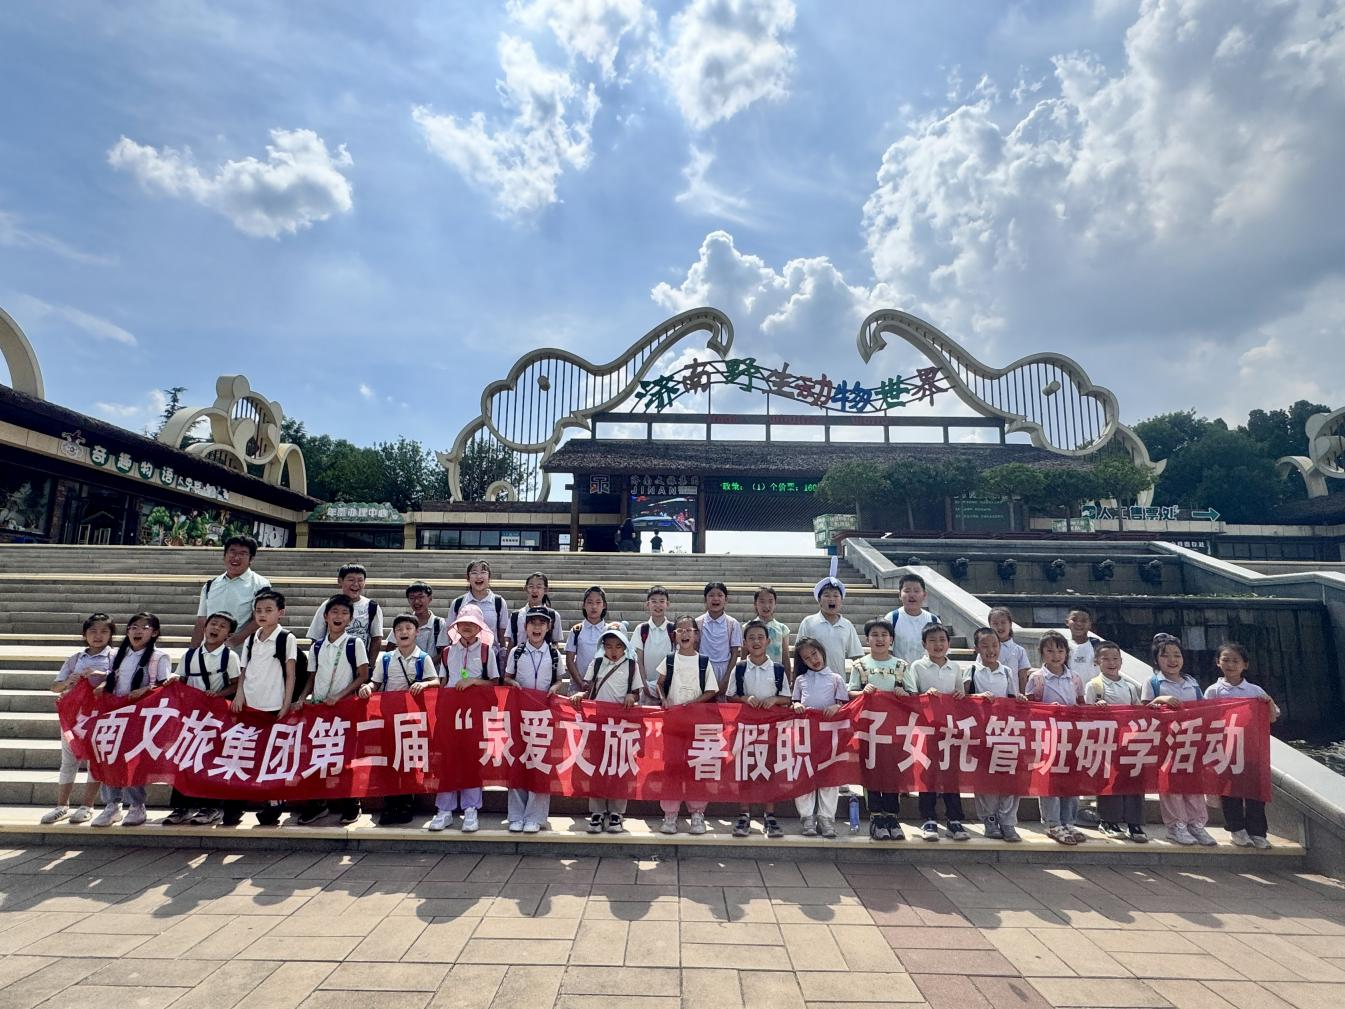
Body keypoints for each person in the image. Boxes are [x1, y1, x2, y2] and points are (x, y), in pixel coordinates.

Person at [90, 613, 171, 827]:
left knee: (133, 759)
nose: (137, 631)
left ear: (155, 633)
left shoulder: (159, 657)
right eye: (133, 627)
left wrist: (145, 690)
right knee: (109, 757)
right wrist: (103, 685)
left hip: (139, 715)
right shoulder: (118, 653)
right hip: (114, 713)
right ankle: (112, 805)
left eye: (144, 628)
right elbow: (113, 676)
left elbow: (165, 686)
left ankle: (136, 806)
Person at [162, 611, 241, 826]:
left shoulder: (229, 657)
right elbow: (182, 679)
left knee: (212, 760)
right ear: (205, 627)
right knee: (185, 758)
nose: (216, 628)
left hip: (216, 718)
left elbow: (236, 684)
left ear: (228, 634)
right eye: (213, 624)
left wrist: (219, 694)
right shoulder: (190, 655)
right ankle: (182, 807)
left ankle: (211, 807)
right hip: (191, 717)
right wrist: (173, 681)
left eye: (222, 626)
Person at [297, 594, 370, 827]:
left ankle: (352, 802)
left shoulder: (354, 643)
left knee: (345, 757)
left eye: (345, 613)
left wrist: (340, 695)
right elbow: (311, 676)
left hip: (345, 709)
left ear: (350, 619)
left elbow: (363, 675)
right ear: (326, 617)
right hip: (320, 709)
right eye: (335, 612)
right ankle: (318, 803)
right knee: (318, 755)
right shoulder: (317, 646)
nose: (339, 617)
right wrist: (302, 698)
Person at [228, 589, 298, 827]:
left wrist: (286, 704)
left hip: (273, 706)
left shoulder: (285, 638)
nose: (262, 614)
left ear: (280, 613)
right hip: (249, 706)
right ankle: (235, 805)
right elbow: (244, 670)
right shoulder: (251, 639)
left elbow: (290, 674)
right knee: (244, 755)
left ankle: (274, 804)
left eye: (268, 610)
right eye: (258, 610)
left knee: (271, 758)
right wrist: (239, 694)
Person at [362, 613, 439, 826]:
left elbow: (436, 681)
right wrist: (368, 687)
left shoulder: (423, 658)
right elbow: (376, 683)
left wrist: (424, 684)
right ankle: (390, 803)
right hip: (389, 718)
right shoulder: (386, 658)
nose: (404, 632)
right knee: (390, 760)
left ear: (416, 632)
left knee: (408, 761)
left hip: (412, 720)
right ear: (394, 634)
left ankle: (406, 803)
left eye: (408, 628)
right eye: (399, 630)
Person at [428, 604, 498, 832]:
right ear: (456, 626)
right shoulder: (448, 652)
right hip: (450, 714)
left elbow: (494, 683)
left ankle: (470, 809)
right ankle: (444, 809)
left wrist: (474, 681)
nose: (467, 627)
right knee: (447, 759)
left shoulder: (486, 651)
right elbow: (442, 682)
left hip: (475, 714)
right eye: (463, 623)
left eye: (472, 624)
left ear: (479, 628)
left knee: (471, 759)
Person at [40, 612, 115, 825]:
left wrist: (103, 677)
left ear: (111, 635)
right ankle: (61, 805)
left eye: (104, 631)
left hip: (100, 716)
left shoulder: (115, 657)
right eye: (93, 631)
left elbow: (119, 680)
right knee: (69, 760)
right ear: (84, 635)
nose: (98, 636)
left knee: (95, 760)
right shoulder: (75, 658)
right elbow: (55, 687)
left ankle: (87, 806)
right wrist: (68, 683)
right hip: (73, 716)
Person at [1141, 632, 1215, 846]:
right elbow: (1144, 711)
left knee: (1193, 784)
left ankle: (1197, 825)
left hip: (1192, 740)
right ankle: (1176, 827)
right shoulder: (1153, 682)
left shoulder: (1191, 682)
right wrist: (1161, 699)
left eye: (1177, 655)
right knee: (1171, 785)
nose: (1172, 660)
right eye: (1165, 655)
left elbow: (1203, 709)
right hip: (1167, 742)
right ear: (1156, 660)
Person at [1205, 642, 1280, 849]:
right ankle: (1236, 829)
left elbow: (1272, 717)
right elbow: (1205, 718)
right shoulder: (1213, 691)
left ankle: (1258, 832)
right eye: (1226, 660)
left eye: (1235, 661)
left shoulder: (1254, 691)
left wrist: (1268, 703)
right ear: (1218, 662)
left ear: (1245, 665)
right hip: (1226, 749)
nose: (1230, 665)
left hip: (1251, 750)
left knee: (1255, 792)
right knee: (1231, 792)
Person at [502, 607, 565, 833]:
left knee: (540, 764)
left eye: (541, 623)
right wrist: (513, 684)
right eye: (532, 623)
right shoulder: (517, 652)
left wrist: (555, 688)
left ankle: (536, 817)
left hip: (543, 716)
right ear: (525, 627)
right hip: (520, 714)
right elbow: (507, 677)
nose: (537, 627)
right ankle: (516, 816)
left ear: (548, 628)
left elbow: (559, 680)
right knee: (518, 762)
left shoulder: (554, 654)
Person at [847, 618, 910, 841]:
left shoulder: (901, 665)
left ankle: (892, 816)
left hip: (894, 731)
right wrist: (862, 692)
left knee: (893, 773)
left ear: (891, 639)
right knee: (871, 771)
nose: (880, 639)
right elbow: (851, 692)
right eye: (874, 635)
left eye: (884, 635)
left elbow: (913, 695)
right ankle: (876, 818)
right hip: (869, 730)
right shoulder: (860, 665)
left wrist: (904, 694)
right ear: (867, 639)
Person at [573, 627, 641, 834]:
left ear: (625, 648)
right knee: (597, 768)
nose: (613, 651)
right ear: (603, 647)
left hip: (621, 726)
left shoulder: (631, 665)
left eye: (618, 646)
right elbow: (588, 688)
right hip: (598, 724)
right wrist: (581, 695)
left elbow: (637, 693)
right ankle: (597, 811)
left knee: (620, 769)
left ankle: (617, 813)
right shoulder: (597, 663)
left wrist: (631, 696)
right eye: (609, 646)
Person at [727, 619, 791, 838]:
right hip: (745, 728)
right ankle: (744, 814)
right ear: (745, 643)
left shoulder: (778, 669)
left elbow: (787, 698)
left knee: (769, 770)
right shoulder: (740, 668)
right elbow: (730, 696)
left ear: (768, 641)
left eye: (760, 637)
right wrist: (745, 698)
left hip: (770, 729)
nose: (756, 641)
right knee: (744, 770)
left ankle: (769, 815)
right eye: (751, 638)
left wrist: (775, 699)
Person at [908, 623, 970, 841]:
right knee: (928, 772)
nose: (938, 645)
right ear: (924, 644)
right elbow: (911, 695)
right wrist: (925, 695)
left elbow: (961, 696)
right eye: (932, 641)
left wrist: (959, 696)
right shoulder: (917, 666)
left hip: (950, 729)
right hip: (926, 728)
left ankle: (954, 819)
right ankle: (928, 818)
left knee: (951, 774)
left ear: (949, 643)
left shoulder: (955, 668)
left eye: (942, 640)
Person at [657, 616, 718, 835]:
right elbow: (659, 683)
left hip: (697, 723)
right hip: (673, 721)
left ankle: (697, 813)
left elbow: (711, 690)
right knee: (672, 766)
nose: (684, 634)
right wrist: (664, 699)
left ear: (696, 635)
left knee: (697, 766)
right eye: (680, 631)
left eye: (689, 630)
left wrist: (694, 704)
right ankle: (670, 814)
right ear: (674, 636)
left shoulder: (703, 661)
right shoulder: (669, 660)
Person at [1026, 631, 1087, 845]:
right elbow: (1030, 708)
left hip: (1071, 736)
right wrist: (1047, 709)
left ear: (1066, 653)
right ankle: (1052, 823)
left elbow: (1081, 705)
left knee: (1071, 778)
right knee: (1050, 779)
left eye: (1060, 651)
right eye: (1050, 651)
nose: (1055, 655)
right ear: (1042, 653)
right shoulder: (1037, 678)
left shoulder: (1075, 678)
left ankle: (1069, 821)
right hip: (1047, 736)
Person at [1084, 641, 1148, 843]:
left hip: (1129, 741)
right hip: (1106, 741)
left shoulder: (1130, 687)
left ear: (1121, 661)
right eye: (1106, 659)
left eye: (1115, 659)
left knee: (1133, 779)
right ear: (1097, 661)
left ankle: (1134, 822)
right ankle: (1108, 821)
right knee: (1109, 780)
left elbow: (1138, 711)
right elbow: (1085, 715)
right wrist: (1097, 708)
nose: (1111, 663)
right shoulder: (1094, 685)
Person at [968, 626, 1027, 843]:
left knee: (1009, 776)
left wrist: (1019, 700)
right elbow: (962, 700)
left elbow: (1011, 698)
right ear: (976, 648)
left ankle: (1008, 821)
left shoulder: (1007, 671)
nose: (991, 650)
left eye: (994, 645)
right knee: (985, 777)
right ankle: (989, 819)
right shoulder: (971, 671)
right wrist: (978, 698)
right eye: (985, 646)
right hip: (981, 731)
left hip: (1005, 731)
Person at [790, 637, 848, 838]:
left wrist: (836, 707)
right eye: (806, 658)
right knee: (804, 772)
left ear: (821, 651)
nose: (813, 660)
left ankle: (826, 817)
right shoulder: (800, 680)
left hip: (830, 736)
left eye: (814, 654)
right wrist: (796, 705)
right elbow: (794, 702)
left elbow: (845, 706)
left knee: (829, 776)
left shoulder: (836, 679)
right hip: (806, 735)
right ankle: (807, 817)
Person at [191, 534, 270, 648]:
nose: (236, 558)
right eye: (232, 552)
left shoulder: (261, 585)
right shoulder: (210, 585)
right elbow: (201, 621)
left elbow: (259, 620)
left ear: (251, 559)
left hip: (241, 652)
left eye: (242, 554)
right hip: (208, 651)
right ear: (224, 555)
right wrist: (192, 651)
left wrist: (232, 643)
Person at [306, 563, 384, 661]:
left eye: (360, 580)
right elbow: (316, 638)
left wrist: (370, 666)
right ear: (340, 581)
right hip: (330, 663)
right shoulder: (328, 605)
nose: (356, 584)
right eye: (351, 580)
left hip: (359, 664)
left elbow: (376, 639)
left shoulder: (372, 607)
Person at [797, 575, 864, 679]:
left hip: (837, 681)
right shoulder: (808, 622)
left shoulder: (847, 625)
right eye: (827, 596)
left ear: (841, 600)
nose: (832, 599)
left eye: (836, 596)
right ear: (819, 600)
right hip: (812, 680)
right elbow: (799, 653)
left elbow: (857, 655)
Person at [450, 559, 510, 672]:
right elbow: (451, 633)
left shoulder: (498, 602)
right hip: (463, 658)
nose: (479, 576)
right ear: (468, 578)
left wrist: (503, 658)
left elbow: (502, 634)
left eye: (483, 572)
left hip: (491, 658)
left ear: (489, 577)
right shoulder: (458, 603)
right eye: (474, 573)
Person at [885, 573, 941, 666]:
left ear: (924, 595)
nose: (912, 595)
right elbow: (886, 650)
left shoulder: (933, 620)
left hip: (926, 671)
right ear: (900, 595)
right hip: (899, 671)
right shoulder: (892, 618)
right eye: (907, 591)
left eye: (916, 591)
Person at [634, 585, 676, 704]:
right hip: (646, 687)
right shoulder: (641, 629)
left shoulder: (673, 629)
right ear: (647, 604)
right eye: (654, 602)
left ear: (668, 604)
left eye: (662, 601)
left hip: (669, 687)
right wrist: (643, 684)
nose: (658, 605)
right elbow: (639, 660)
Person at [697, 581, 743, 687]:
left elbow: (735, 653)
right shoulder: (698, 623)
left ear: (726, 600)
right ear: (705, 599)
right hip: (703, 669)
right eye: (711, 595)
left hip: (725, 669)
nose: (715, 598)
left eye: (720, 595)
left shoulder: (733, 624)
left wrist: (727, 678)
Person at [565, 586, 610, 690]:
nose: (594, 606)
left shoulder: (609, 631)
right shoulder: (576, 630)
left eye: (598, 602)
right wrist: (581, 683)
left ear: (604, 605)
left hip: (603, 688)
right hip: (577, 687)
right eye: (590, 602)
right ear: (584, 605)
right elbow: (569, 660)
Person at [508, 572, 563, 649]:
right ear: (525, 589)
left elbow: (555, 643)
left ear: (546, 590)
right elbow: (511, 643)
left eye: (539, 587)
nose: (534, 590)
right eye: (531, 587)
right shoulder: (516, 616)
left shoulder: (553, 615)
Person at [751, 586, 792, 683]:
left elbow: (785, 657)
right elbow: (744, 656)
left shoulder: (782, 629)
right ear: (755, 604)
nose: (766, 606)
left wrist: (787, 681)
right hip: (753, 676)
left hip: (775, 676)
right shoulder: (748, 627)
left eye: (770, 601)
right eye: (762, 601)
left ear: (775, 604)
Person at [404, 581, 448, 672]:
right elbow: (391, 646)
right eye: (412, 598)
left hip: (433, 674)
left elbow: (444, 652)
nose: (416, 601)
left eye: (421, 597)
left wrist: (424, 665)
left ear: (430, 598)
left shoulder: (439, 623)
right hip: (407, 673)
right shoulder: (404, 621)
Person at [988, 606, 1031, 695]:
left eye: (1003, 622)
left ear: (1010, 624)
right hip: (991, 696)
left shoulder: (1019, 651)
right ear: (990, 626)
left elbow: (1022, 677)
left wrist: (1023, 696)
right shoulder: (985, 651)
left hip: (1013, 696)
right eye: (995, 623)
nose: (1000, 627)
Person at [1064, 607, 1097, 677]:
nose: (1079, 624)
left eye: (1084, 621)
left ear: (1090, 624)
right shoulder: (1062, 646)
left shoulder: (1098, 646)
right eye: (1074, 620)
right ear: (1067, 622)